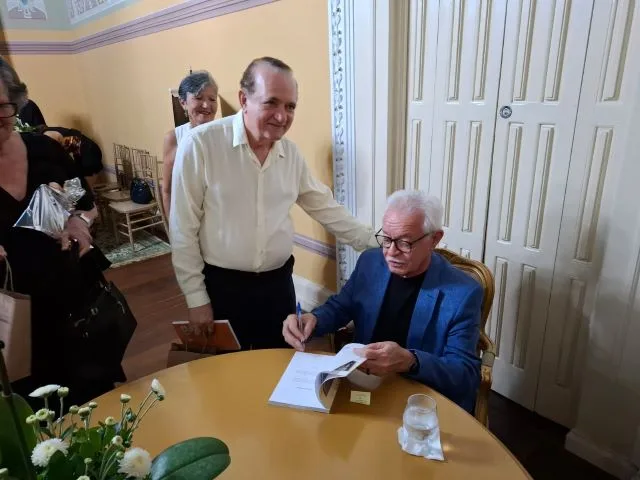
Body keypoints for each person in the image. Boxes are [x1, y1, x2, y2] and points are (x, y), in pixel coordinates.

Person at [170, 57, 377, 350]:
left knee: (279, 368)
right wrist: (196, 298)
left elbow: (325, 207)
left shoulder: (290, 155)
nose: (282, 116)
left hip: (277, 287)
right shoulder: (201, 145)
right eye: (271, 103)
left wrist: (379, 242)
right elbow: (182, 229)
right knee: (227, 376)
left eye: (290, 106)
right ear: (244, 99)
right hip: (223, 289)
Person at [282, 190, 483, 412]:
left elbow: (465, 375)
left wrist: (410, 360)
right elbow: (341, 306)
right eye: (386, 239)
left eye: (405, 243)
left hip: (420, 397)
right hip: (364, 385)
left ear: (434, 239)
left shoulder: (463, 293)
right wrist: (314, 319)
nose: (391, 253)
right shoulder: (371, 262)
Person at [0, 60, 122, 408]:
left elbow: (82, 199)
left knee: (98, 404)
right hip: (13, 321)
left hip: (74, 303)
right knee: (34, 418)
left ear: (15, 101)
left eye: (1, 106)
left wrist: (79, 221)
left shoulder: (45, 151)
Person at [162, 70, 218, 217]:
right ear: (183, 102)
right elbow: (168, 190)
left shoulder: (225, 135)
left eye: (212, 99)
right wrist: (174, 233)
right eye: (198, 98)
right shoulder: (174, 138)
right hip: (189, 219)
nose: (206, 105)